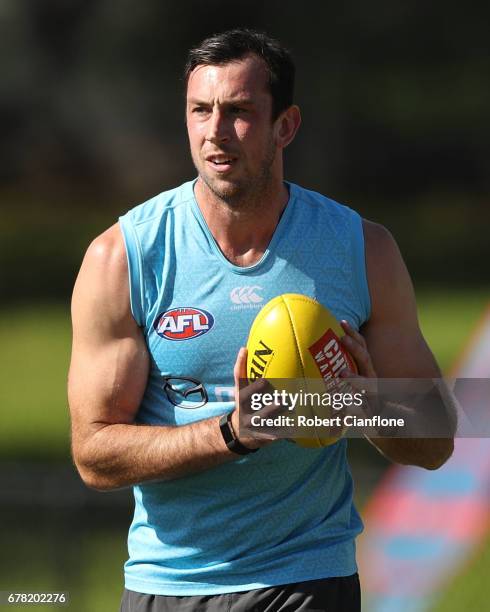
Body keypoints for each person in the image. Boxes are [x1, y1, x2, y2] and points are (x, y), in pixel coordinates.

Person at [68, 28, 455, 612]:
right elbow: (93, 454)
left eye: (240, 112)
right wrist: (234, 433)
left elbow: (437, 442)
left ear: (287, 126)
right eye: (201, 110)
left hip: (307, 578)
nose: (215, 132)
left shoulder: (361, 249)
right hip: (170, 584)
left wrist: (366, 402)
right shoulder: (124, 257)